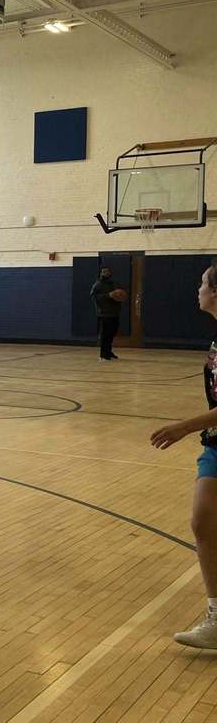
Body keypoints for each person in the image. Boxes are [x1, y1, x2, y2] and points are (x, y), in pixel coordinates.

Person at [150, 261, 217, 649]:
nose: (198, 289)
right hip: (216, 444)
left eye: (202, 283)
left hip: (208, 432)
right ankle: (216, 615)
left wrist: (183, 426)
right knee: (203, 520)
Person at [91, 266, 123, 361]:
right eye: (104, 272)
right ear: (101, 273)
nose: (106, 273)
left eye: (108, 271)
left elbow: (118, 296)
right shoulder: (97, 284)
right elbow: (94, 297)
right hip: (104, 313)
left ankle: (108, 351)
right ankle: (103, 354)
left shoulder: (113, 283)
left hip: (114, 312)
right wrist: (108, 295)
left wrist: (119, 296)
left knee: (112, 333)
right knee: (105, 334)